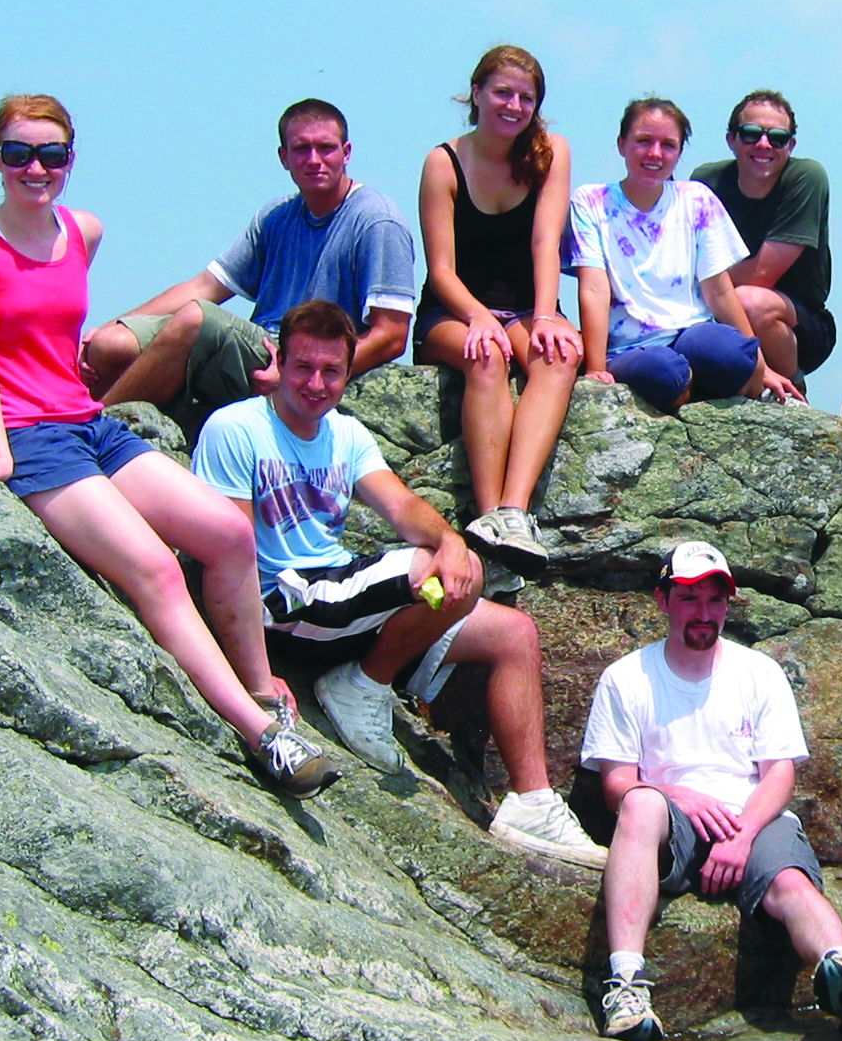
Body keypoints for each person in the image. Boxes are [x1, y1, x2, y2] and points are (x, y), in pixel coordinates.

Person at [0, 94, 330, 798]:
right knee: (154, 568)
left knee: (227, 534)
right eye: (19, 153)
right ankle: (262, 734)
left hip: (87, 424)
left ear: (70, 160)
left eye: (51, 155)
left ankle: (262, 687)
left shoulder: (80, 231)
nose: (35, 168)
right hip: (23, 436)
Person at [192, 300, 607, 866]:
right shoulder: (235, 429)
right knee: (435, 574)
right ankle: (361, 683)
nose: (316, 384)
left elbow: (402, 506)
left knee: (512, 632)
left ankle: (531, 801)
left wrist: (453, 541)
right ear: (280, 362)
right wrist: (256, 678)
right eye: (303, 368)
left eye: (331, 371)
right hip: (281, 605)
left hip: (343, 602)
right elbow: (229, 555)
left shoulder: (345, 434)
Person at [583, 542, 842, 1041]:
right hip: (669, 822)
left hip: (751, 817)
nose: (704, 613)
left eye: (715, 601)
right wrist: (677, 793)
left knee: (789, 881)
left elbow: (779, 773)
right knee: (639, 802)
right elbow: (615, 784)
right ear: (663, 600)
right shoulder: (626, 678)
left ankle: (840, 969)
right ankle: (628, 985)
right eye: (690, 599)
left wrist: (741, 839)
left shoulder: (757, 672)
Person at [78, 98, 417, 439]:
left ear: (346, 152)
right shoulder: (277, 217)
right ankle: (85, 422)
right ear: (284, 157)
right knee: (110, 345)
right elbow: (205, 286)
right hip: (260, 348)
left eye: (325, 148)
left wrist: (298, 377)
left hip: (300, 358)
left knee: (197, 320)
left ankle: (91, 435)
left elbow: (391, 335)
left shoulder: (376, 220)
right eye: (302, 149)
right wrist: (112, 324)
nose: (314, 160)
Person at [414, 45, 582, 580]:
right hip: (454, 306)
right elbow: (440, 268)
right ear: (477, 93)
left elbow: (544, 241)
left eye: (526, 98)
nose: (513, 105)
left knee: (559, 358)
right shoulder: (444, 161)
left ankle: (514, 510)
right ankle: (487, 517)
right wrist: (477, 315)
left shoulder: (551, 152)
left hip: (525, 305)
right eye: (503, 93)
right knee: (485, 355)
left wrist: (549, 315)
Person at [568, 98, 804, 412]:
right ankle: (689, 390)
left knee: (734, 358)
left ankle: (707, 384)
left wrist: (760, 365)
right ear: (622, 144)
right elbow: (594, 288)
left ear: (679, 152)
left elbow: (719, 290)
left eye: (668, 145)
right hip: (630, 344)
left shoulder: (696, 199)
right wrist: (596, 368)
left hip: (692, 330)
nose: (655, 154)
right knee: (666, 375)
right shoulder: (591, 201)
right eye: (643, 141)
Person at [689, 90, 836, 381]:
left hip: (798, 324)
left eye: (777, 138)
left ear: (791, 145)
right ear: (731, 139)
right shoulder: (704, 183)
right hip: (719, 310)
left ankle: (791, 391)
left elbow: (761, 276)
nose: (764, 144)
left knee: (750, 301)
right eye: (751, 134)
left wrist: (700, 291)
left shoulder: (807, 177)